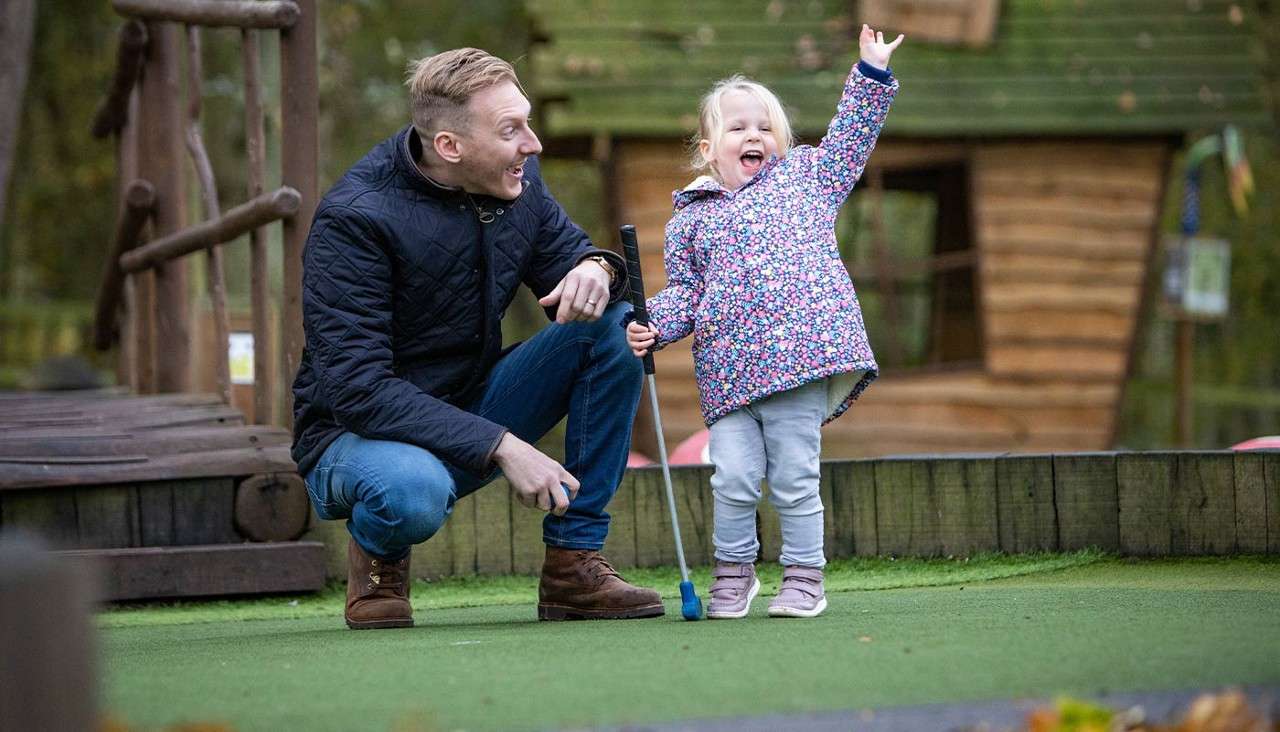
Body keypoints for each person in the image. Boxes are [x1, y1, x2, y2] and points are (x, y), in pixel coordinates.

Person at [292, 48, 663, 629]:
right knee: (412, 490)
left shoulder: (517, 182)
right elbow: (358, 391)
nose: (533, 143)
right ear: (450, 147)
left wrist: (598, 268)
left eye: (528, 121)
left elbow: (578, 264)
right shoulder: (353, 221)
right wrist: (504, 446)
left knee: (612, 330)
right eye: (511, 130)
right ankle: (378, 560)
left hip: (472, 399)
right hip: (353, 435)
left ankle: (573, 565)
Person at [626, 26, 903, 619]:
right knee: (732, 478)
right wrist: (653, 324)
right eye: (737, 127)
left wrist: (871, 75)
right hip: (728, 375)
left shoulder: (807, 181)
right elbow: (687, 293)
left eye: (765, 127)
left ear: (781, 141)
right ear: (708, 149)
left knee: (795, 478)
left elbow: (852, 139)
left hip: (800, 363)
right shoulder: (690, 222)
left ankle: (805, 577)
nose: (754, 136)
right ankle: (735, 573)